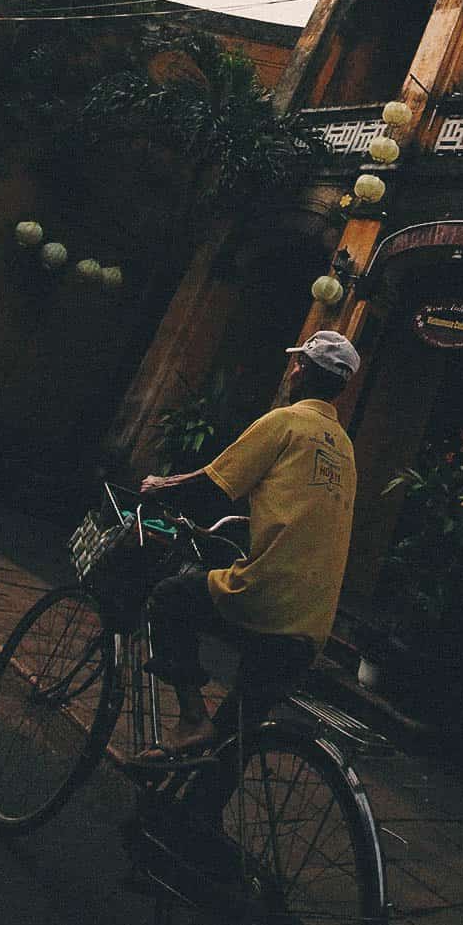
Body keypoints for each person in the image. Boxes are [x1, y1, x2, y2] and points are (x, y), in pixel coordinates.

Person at [134, 327, 360, 766]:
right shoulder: (346, 449)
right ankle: (193, 816)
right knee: (236, 733)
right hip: (313, 619)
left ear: (303, 372)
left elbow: (214, 485)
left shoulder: (286, 422)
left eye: (298, 365)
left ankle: (190, 716)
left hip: (266, 595)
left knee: (169, 598)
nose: (292, 371)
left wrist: (162, 485)